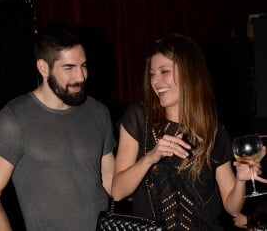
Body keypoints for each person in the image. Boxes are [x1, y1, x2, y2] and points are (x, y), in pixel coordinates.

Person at [111, 33, 267, 230]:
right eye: (152, 74)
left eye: (164, 71)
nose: (155, 82)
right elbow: (117, 191)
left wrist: (240, 181)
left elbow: (232, 208)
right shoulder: (139, 118)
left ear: (189, 73)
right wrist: (151, 157)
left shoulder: (214, 132)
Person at [0, 22, 116, 231]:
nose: (81, 77)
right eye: (69, 68)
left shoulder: (98, 112)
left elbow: (111, 180)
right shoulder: (12, 121)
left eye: (83, 65)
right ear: (43, 68)